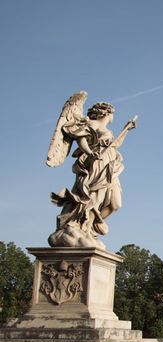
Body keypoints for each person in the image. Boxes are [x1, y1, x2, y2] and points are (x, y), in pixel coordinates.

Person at [47, 93, 136, 249]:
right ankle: (81, 226)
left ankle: (90, 228)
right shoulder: (93, 123)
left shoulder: (106, 129)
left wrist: (127, 130)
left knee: (115, 204)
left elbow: (114, 145)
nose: (113, 115)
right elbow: (81, 138)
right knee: (93, 198)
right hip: (96, 164)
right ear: (106, 112)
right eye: (112, 113)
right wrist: (89, 152)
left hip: (110, 166)